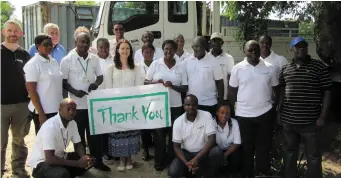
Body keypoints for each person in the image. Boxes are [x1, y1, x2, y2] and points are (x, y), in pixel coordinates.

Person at [278, 37, 332, 178]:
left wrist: (322, 117)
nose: (300, 49)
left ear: (307, 48)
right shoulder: (286, 68)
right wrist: (279, 111)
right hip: (289, 121)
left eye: (303, 47)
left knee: (313, 156)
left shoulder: (319, 67)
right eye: (297, 47)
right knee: (289, 153)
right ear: (292, 49)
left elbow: (327, 93)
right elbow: (282, 91)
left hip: (310, 122)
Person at [60, 32, 110, 171]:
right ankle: (82, 164)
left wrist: (95, 84)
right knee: (79, 136)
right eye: (82, 41)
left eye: (87, 42)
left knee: (94, 134)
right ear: (75, 42)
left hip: (92, 104)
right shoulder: (67, 60)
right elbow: (63, 82)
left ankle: (97, 161)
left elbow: (100, 77)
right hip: (76, 106)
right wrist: (75, 92)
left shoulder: (94, 59)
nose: (85, 44)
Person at [228, 40, 279, 178]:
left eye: (256, 49)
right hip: (244, 115)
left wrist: (273, 107)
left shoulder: (270, 67)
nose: (254, 52)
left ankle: (263, 171)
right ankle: (248, 172)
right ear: (244, 51)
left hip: (265, 114)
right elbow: (232, 92)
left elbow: (276, 89)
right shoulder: (237, 68)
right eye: (250, 50)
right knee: (246, 147)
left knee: (263, 147)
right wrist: (234, 111)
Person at [145, 40, 188, 171]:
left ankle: (171, 161)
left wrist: (173, 86)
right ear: (162, 50)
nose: (168, 51)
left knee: (174, 134)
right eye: (166, 49)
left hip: (175, 106)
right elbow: (145, 82)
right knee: (159, 135)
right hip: (159, 105)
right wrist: (155, 82)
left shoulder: (181, 66)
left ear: (175, 50)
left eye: (171, 49)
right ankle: (159, 161)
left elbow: (185, 87)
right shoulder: (156, 64)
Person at [28, 98, 95, 178]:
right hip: (41, 163)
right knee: (62, 174)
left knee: (91, 160)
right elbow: (50, 159)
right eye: (68, 109)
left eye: (74, 109)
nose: (71, 112)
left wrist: (84, 158)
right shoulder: (50, 127)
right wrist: (77, 163)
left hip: (60, 157)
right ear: (59, 110)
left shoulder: (73, 123)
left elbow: (78, 144)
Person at [105, 39, 145, 171]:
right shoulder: (111, 68)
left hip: (131, 107)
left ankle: (129, 159)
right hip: (116, 107)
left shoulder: (137, 67)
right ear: (117, 50)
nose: (124, 51)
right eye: (122, 48)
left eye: (127, 49)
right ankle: (122, 160)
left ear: (130, 51)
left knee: (130, 133)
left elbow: (139, 87)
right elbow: (108, 89)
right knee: (119, 132)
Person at [1, 19, 31, 178]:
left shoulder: (25, 54)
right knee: (1, 141)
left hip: (21, 105)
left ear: (21, 34)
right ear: (3, 32)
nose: (13, 34)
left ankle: (18, 169)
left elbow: (31, 80)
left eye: (16, 31)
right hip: (1, 105)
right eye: (9, 30)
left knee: (19, 139)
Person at [168, 94, 221, 178]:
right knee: (173, 172)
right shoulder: (178, 122)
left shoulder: (206, 115)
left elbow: (212, 139)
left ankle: (208, 174)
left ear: (197, 105)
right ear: (184, 106)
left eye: (193, 104)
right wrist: (186, 163)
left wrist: (197, 158)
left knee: (216, 152)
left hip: (203, 152)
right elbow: (176, 146)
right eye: (188, 105)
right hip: (186, 153)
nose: (191, 107)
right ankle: (191, 169)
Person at [24, 34, 63, 134]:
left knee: (57, 139)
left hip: (57, 109)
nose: (49, 47)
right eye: (46, 44)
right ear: (37, 46)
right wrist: (41, 114)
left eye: (51, 44)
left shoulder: (53, 61)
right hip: (43, 111)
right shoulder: (33, 64)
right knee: (45, 143)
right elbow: (31, 91)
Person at [184, 36, 224, 118]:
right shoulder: (186, 61)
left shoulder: (213, 61)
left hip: (210, 104)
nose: (197, 49)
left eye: (200, 46)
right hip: (192, 105)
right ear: (192, 47)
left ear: (205, 47)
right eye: (195, 46)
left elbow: (220, 82)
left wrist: (220, 103)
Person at [95, 38, 114, 161]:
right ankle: (102, 151)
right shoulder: (93, 60)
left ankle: (111, 150)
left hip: (111, 97)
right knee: (100, 126)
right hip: (97, 98)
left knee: (110, 125)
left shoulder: (113, 60)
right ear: (97, 48)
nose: (103, 49)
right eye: (101, 47)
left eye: (106, 47)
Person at [211, 104, 242, 177]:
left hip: (230, 150)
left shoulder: (234, 122)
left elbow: (237, 143)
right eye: (222, 113)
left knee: (237, 153)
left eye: (227, 113)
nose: (225, 116)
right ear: (217, 113)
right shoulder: (212, 123)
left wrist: (225, 155)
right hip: (216, 150)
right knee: (215, 152)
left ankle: (233, 173)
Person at [139, 43, 155, 161]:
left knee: (155, 124)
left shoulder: (158, 64)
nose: (148, 54)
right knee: (144, 125)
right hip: (143, 99)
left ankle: (156, 147)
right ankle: (145, 149)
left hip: (156, 99)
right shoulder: (138, 67)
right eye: (146, 52)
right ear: (142, 53)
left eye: (150, 52)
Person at [209, 32, 235, 103]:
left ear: (222, 43)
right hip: (209, 97)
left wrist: (230, 96)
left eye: (218, 41)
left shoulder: (229, 58)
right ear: (210, 43)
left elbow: (231, 78)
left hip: (224, 97)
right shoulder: (206, 57)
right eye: (214, 41)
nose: (216, 43)